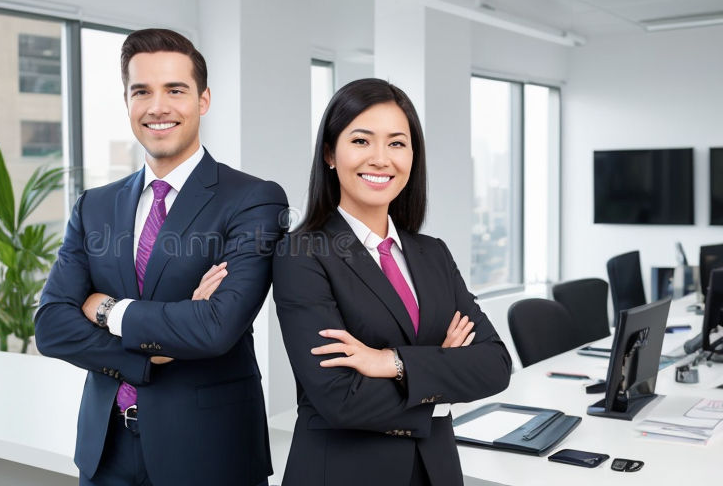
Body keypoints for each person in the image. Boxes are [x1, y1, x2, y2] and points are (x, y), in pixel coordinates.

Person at [35, 28, 287, 486]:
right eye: (142, 91)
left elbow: (215, 328)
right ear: (127, 101)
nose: (158, 107)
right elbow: (51, 325)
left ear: (203, 99)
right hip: (105, 452)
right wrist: (147, 357)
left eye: (175, 90)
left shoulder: (253, 199)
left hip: (210, 454)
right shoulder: (95, 205)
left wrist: (106, 309)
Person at [272, 78, 512, 486]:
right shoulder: (302, 253)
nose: (381, 158)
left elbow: (496, 364)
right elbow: (339, 399)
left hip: (437, 471)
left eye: (397, 143)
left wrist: (391, 363)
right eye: (362, 141)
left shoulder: (432, 253)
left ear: (413, 156)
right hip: (347, 474)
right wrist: (443, 381)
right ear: (330, 153)